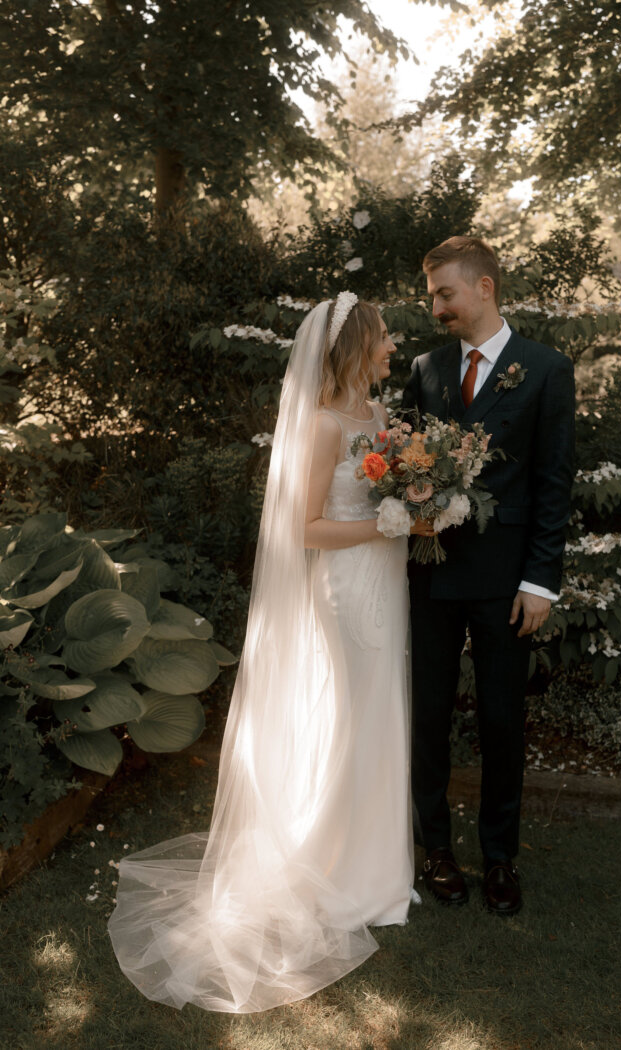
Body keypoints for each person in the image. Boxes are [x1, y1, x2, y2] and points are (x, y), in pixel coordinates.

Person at [108, 293, 424, 1013]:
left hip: (388, 582)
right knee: (349, 723)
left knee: (382, 717)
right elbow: (307, 530)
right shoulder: (320, 427)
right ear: (352, 347)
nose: (390, 348)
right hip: (348, 589)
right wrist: (389, 524)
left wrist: (413, 511)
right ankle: (332, 873)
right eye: (381, 339)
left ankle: (380, 873)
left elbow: (392, 495)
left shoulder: (379, 418)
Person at [403, 235, 575, 916]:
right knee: (428, 717)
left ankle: (500, 857)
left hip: (507, 582)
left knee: (504, 719)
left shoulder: (545, 368)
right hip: (432, 574)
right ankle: (435, 849)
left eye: (445, 294)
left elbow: (553, 481)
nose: (437, 308)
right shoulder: (426, 368)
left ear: (483, 288)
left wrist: (541, 582)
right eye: (433, 297)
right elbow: (410, 463)